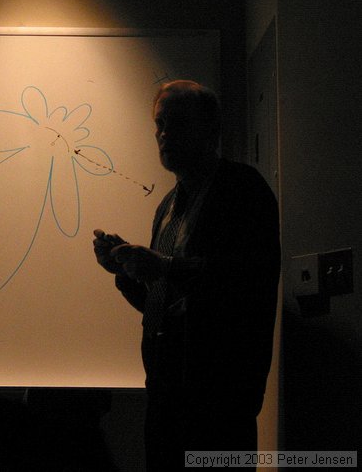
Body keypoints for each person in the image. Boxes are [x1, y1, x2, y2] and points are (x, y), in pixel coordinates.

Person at [92, 80, 280, 470]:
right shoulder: (167, 206)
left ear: (212, 131)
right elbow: (160, 303)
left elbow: (247, 278)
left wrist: (164, 266)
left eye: (176, 124)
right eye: (159, 124)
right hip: (165, 396)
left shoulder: (242, 189)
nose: (163, 134)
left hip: (219, 400)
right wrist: (124, 271)